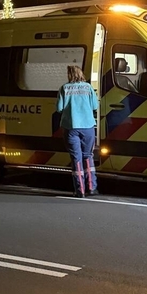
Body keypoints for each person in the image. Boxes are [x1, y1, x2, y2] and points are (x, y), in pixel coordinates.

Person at [57, 65, 99, 197]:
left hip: (71, 127)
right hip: (88, 127)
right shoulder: (88, 87)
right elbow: (95, 106)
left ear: (69, 75)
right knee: (88, 156)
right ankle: (92, 187)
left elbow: (59, 108)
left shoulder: (64, 88)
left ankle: (79, 190)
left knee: (76, 158)